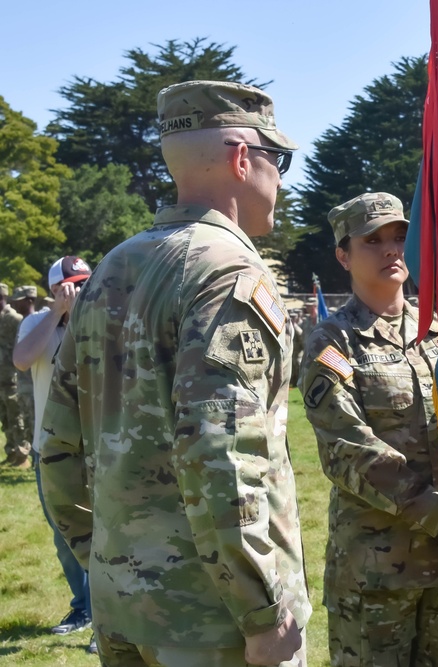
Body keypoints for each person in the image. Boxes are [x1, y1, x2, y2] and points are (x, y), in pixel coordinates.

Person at [38, 80, 311, 667]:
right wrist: (263, 611)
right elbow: (222, 454)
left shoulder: (114, 265)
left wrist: (105, 561)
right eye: (278, 160)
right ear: (243, 157)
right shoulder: (229, 273)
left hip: (124, 603)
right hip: (215, 624)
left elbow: (56, 441)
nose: (281, 181)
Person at [298, 191, 438, 666]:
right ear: (343, 255)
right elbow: (347, 449)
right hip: (378, 570)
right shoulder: (332, 341)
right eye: (372, 241)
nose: (391, 250)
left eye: (401, 237)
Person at [13, 261, 96, 649]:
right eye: (72, 287)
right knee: (64, 533)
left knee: (104, 531)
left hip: (96, 443)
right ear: (56, 290)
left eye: (85, 284)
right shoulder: (35, 324)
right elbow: (22, 359)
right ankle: (82, 607)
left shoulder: (97, 317)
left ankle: (106, 616)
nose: (80, 292)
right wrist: (56, 314)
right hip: (50, 446)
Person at [0, 281, 28, 467]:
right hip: (1, 378)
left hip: (12, 377)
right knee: (5, 418)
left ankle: (23, 452)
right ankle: (11, 451)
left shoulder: (14, 319)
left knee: (16, 416)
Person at [8, 286, 36, 469]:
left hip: (35, 383)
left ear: (29, 300)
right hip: (23, 381)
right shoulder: (23, 322)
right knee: (27, 422)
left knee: (35, 422)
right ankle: (32, 460)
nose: (14, 303)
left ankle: (38, 462)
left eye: (19, 299)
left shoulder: (38, 322)